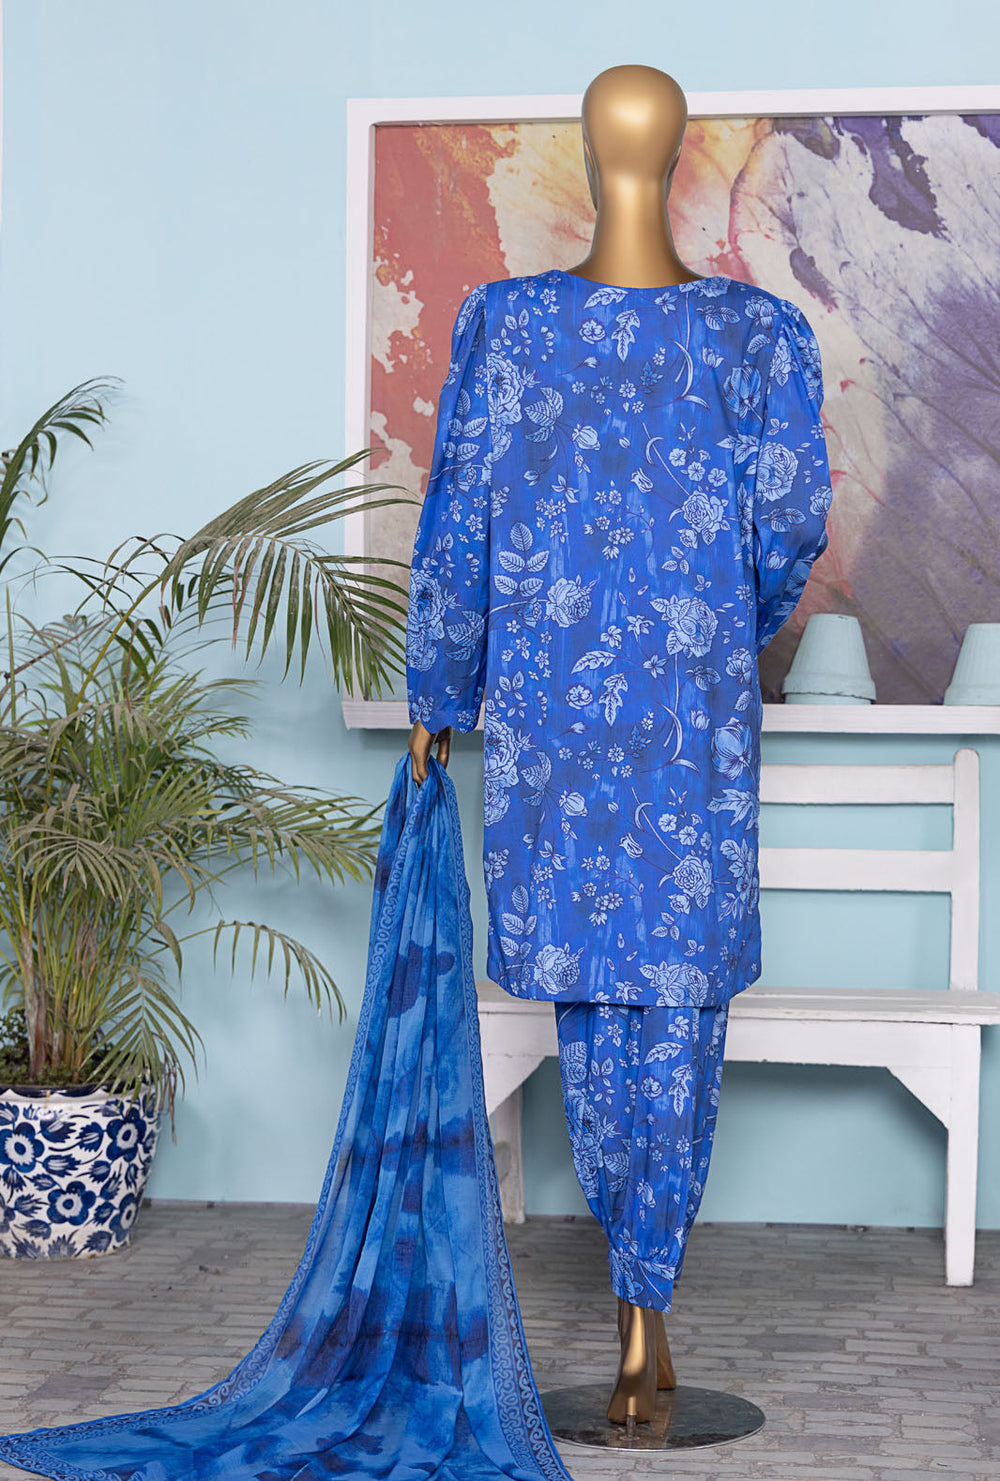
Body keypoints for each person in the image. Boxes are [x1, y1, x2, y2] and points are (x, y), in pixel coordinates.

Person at [407, 64, 833, 1428]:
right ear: (666, 155)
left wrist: (441, 688)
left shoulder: (512, 328)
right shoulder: (753, 337)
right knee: (677, 1009)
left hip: (558, 728)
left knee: (600, 1004)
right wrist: (711, 626)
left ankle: (638, 1303)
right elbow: (790, 530)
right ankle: (650, 1303)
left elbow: (461, 520)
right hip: (691, 733)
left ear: (601, 161)